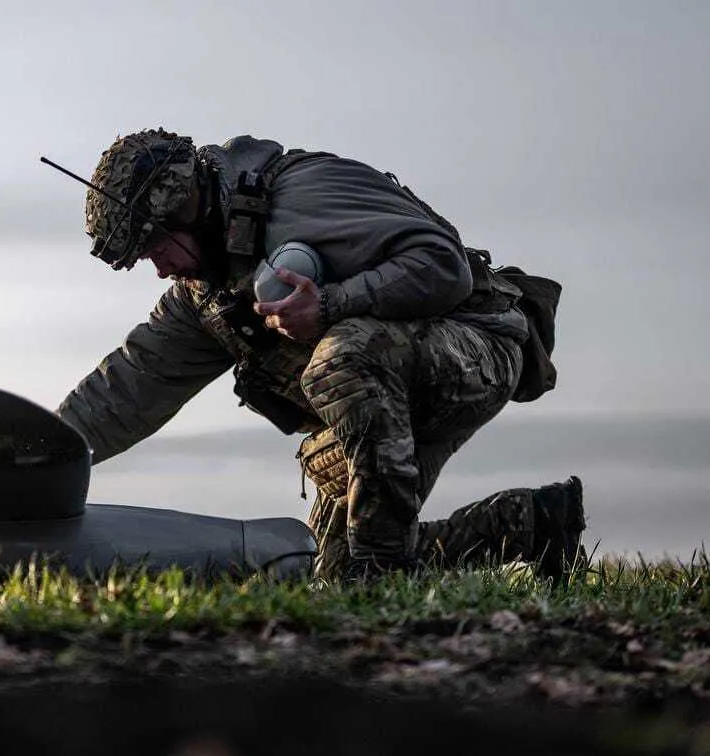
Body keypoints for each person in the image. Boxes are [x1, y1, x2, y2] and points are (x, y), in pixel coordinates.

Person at [54, 128, 586, 580]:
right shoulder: (205, 295)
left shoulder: (307, 195)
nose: (161, 269)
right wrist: (28, 455)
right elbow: (127, 388)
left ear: (183, 208)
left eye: (155, 249)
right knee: (333, 576)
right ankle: (530, 524)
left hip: (476, 345)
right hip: (381, 391)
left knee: (343, 359)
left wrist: (331, 303)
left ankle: (384, 572)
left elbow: (443, 266)